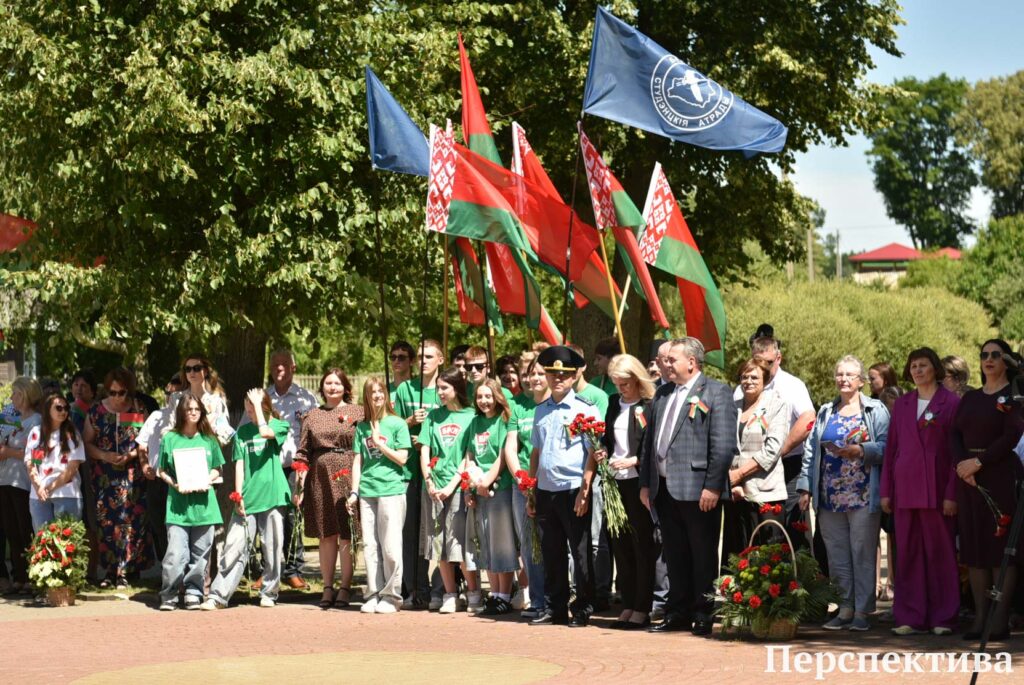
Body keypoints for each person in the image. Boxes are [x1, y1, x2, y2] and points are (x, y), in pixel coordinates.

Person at [640, 338, 736, 636]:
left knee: (702, 553)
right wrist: (646, 483)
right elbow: (649, 442)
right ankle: (677, 611)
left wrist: (713, 487)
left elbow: (722, 446)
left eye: (672, 360)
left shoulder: (716, 392)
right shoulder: (662, 393)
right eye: (664, 360)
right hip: (664, 488)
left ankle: (703, 612)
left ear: (692, 363)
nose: (665, 364)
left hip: (698, 490)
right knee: (674, 554)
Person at [798, 355, 890, 632]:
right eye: (839, 374)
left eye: (850, 375)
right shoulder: (827, 410)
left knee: (861, 553)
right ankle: (845, 607)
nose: (844, 379)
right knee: (837, 555)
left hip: (863, 494)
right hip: (829, 496)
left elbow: (888, 447)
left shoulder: (875, 410)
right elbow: (811, 452)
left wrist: (861, 451)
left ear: (861, 381)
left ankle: (863, 610)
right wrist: (805, 486)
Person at [880, 347, 960, 636]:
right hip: (905, 491)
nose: (917, 370)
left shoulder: (950, 402)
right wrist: (886, 491)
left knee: (940, 554)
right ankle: (910, 616)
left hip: (938, 492)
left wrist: (952, 493)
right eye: (913, 365)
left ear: (935, 368)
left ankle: (943, 617)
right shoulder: (902, 404)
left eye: (923, 365)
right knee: (908, 554)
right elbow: (891, 450)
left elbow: (956, 454)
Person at [951, 339, 1023, 640]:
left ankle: (998, 619)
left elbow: (1012, 435)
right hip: (969, 480)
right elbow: (954, 433)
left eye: (996, 354)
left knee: (999, 550)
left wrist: (978, 462)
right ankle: (980, 618)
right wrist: (962, 466)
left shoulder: (1015, 396)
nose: (989, 359)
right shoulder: (971, 398)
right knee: (975, 548)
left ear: (1006, 359)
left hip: (1000, 476)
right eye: (984, 355)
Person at [527, 345, 600, 627]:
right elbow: (536, 451)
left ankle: (582, 607)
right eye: (552, 374)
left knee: (580, 552)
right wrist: (533, 489)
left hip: (573, 488)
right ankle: (554, 607)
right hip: (546, 489)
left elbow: (593, 451)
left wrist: (585, 490)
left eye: (564, 375)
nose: (557, 379)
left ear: (573, 377)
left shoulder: (584, 409)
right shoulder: (541, 411)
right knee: (551, 551)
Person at [203, 388, 291, 610]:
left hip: (273, 496)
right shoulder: (242, 433)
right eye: (248, 409)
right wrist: (238, 494)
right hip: (248, 499)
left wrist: (260, 410)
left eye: (253, 409)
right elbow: (239, 466)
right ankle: (219, 595)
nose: (250, 413)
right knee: (234, 547)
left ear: (264, 406)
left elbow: (265, 433)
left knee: (272, 545)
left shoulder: (279, 425)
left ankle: (269, 592)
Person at [589, 354, 655, 630]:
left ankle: (642, 606)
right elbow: (609, 437)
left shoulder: (650, 406)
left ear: (638, 380)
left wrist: (634, 460)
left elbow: (652, 446)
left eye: (625, 383)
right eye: (617, 383)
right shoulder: (615, 403)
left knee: (641, 546)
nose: (621, 389)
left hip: (637, 481)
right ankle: (627, 603)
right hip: (614, 480)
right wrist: (602, 450)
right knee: (620, 544)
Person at [735, 335, 816, 552]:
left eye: (769, 362)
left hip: (786, 466)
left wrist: (779, 451)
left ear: (778, 358)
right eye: (758, 360)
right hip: (745, 474)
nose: (764, 366)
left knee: (790, 530)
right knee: (749, 538)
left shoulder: (791, 385)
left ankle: (798, 581)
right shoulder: (742, 388)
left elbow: (808, 418)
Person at [294, 368, 362, 609]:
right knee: (326, 534)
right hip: (320, 478)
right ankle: (327, 587)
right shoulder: (311, 416)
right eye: (328, 383)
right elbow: (302, 453)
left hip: (347, 474)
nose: (332, 387)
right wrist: (300, 482)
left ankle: (345, 586)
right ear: (322, 388)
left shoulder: (358, 413)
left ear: (345, 386)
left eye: (337, 383)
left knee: (346, 533)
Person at [83, 367, 152, 589]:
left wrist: (130, 455)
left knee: (131, 522)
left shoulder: (139, 408)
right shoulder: (96, 411)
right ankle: (110, 570)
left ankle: (126, 570)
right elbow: (86, 443)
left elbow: (147, 440)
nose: (116, 397)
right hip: (105, 476)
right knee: (107, 523)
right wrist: (105, 455)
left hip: (132, 475)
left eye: (121, 393)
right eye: (112, 393)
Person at [347, 377, 411, 615]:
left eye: (380, 391)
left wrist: (380, 444)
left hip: (391, 490)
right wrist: (354, 491)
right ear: (366, 397)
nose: (376, 396)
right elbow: (357, 460)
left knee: (391, 546)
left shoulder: (397, 424)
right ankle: (373, 593)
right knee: (370, 546)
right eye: (371, 392)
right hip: (367, 492)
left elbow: (403, 458)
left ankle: (392, 596)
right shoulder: (362, 426)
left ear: (386, 395)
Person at [419, 367, 480, 614]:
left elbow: (469, 455)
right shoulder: (433, 417)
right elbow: (424, 450)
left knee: (458, 542)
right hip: (434, 487)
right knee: (438, 544)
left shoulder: (471, 416)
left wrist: (451, 485)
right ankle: (450, 592)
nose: (440, 392)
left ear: (457, 388)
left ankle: (474, 591)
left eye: (445, 388)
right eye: (438, 388)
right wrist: (430, 482)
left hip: (457, 488)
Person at [156, 392, 224, 610]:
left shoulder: (209, 439)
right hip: (178, 506)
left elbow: (217, 468)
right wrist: (174, 483)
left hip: (205, 507)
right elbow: (161, 470)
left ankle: (194, 593)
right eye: (189, 409)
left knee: (200, 555)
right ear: (181, 412)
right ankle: (169, 593)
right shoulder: (170, 438)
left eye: (197, 409)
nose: (193, 413)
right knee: (176, 554)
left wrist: (207, 478)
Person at [394, 339, 445, 609]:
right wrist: (410, 424)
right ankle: (415, 587)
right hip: (410, 470)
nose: (423, 360)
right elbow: (393, 426)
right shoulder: (404, 389)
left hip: (440, 469)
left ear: (441, 359)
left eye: (429, 356)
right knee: (411, 531)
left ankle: (443, 588)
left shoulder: (445, 388)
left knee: (440, 531)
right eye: (421, 356)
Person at [261, 349, 318, 590]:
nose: (280, 369)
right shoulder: (262, 399)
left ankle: (293, 570)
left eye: (285, 364)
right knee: (266, 518)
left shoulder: (307, 399)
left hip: (295, 467)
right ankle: (266, 570)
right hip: (267, 467)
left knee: (294, 518)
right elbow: (245, 428)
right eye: (275, 365)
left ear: (294, 368)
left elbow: (314, 433)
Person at [723, 359, 789, 561]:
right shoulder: (731, 407)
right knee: (738, 557)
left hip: (766, 492)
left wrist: (738, 475)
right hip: (735, 494)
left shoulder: (776, 405)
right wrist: (732, 482)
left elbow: (772, 450)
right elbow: (724, 445)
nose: (748, 381)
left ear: (765, 380)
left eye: (754, 377)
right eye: (744, 377)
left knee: (769, 559)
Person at [466, 377, 520, 615]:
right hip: (478, 488)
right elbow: (469, 455)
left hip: (499, 487)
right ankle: (494, 592)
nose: (484, 401)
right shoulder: (475, 422)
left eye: (488, 396)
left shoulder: (503, 421)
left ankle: (505, 594)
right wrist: (472, 484)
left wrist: (486, 481)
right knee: (485, 541)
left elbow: (501, 456)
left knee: (502, 541)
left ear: (497, 397)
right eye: (480, 397)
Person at [567, 342, 611, 609]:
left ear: (581, 367)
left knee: (596, 539)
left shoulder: (596, 396)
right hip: (567, 479)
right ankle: (577, 588)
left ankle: (600, 590)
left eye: (572, 366)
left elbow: (599, 437)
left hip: (594, 473)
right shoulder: (556, 399)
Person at [511, 357, 548, 619]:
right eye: (531, 373)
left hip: (549, 484)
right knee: (528, 545)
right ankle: (536, 600)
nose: (534, 378)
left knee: (553, 543)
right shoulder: (517, 407)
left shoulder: (554, 405)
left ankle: (556, 596)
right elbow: (510, 448)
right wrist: (521, 479)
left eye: (540, 373)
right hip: (522, 486)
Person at [0, 377, 42, 594]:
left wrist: (8, 453)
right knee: (11, 530)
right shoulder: (11, 419)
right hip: (4, 479)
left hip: (22, 482)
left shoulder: (36, 421)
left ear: (25, 395)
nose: (11, 398)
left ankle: (30, 576)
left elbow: (34, 453)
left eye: (15, 394)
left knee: (25, 529)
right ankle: (18, 576)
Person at [136, 373, 183, 562]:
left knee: (177, 528)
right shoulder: (156, 416)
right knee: (158, 525)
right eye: (168, 393)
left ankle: (181, 571)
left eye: (178, 394)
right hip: (156, 479)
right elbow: (141, 444)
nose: (172, 398)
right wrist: (144, 463)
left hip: (180, 480)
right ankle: (166, 570)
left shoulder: (191, 418)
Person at [24, 394, 86, 530]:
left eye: (66, 408)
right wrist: (38, 487)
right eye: (58, 408)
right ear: (47, 410)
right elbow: (31, 464)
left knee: (68, 545)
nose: (63, 411)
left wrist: (48, 488)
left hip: (66, 494)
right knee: (43, 545)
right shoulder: (36, 433)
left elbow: (72, 468)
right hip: (38, 496)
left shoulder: (73, 433)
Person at [69, 369, 97, 435]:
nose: (79, 389)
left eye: (83, 385)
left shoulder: (100, 410)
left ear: (92, 392)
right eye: (76, 384)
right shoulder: (67, 408)